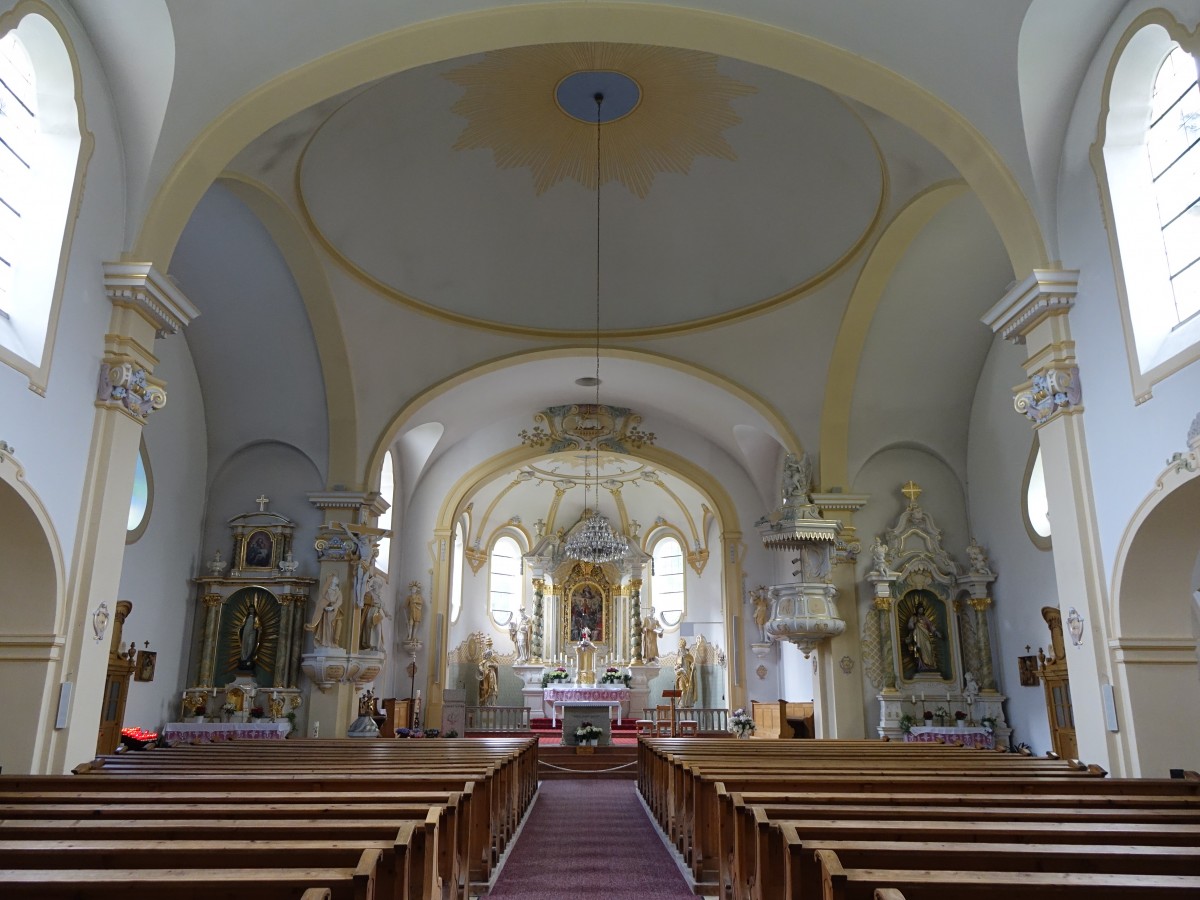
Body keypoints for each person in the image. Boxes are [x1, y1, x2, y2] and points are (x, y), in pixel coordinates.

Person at [306, 574, 343, 647]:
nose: (337, 580)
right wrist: (324, 607)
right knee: (327, 626)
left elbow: (340, 601)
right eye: (336, 579)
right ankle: (326, 642)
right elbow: (321, 602)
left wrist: (333, 607)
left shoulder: (338, 591)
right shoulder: (326, 591)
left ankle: (333, 642)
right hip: (326, 613)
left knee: (335, 626)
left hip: (335, 611)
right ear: (331, 581)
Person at [906, 597, 941, 673]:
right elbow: (910, 626)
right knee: (919, 650)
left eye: (922, 609)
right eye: (920, 609)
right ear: (917, 609)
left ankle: (930, 665)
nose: (921, 610)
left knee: (929, 649)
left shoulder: (925, 618)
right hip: (918, 636)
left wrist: (936, 632)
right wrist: (914, 624)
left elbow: (931, 626)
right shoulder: (914, 618)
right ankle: (921, 666)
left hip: (926, 636)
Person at [674, 637, 696, 708]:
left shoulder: (689, 656)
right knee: (682, 690)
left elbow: (693, 665)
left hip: (688, 675)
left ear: (684, 648)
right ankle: (682, 704)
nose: (681, 650)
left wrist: (693, 667)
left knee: (689, 690)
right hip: (681, 676)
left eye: (682, 648)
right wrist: (678, 669)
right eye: (680, 649)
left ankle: (688, 704)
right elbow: (675, 668)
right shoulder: (678, 657)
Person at [238, 605, 260, 670]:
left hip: (252, 632)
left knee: (251, 644)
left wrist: (258, 627)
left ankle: (248, 657)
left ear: (254, 610)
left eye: (252, 609)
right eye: (250, 609)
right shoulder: (246, 617)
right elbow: (242, 623)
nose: (251, 611)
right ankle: (243, 658)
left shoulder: (256, 617)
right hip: (245, 631)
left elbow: (258, 624)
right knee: (244, 644)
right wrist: (239, 627)